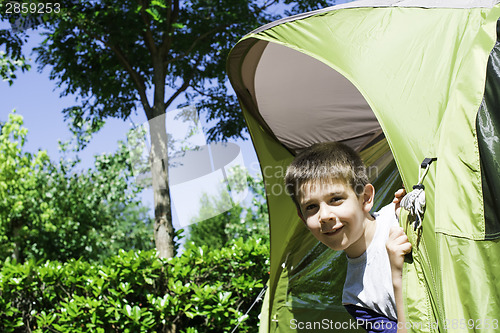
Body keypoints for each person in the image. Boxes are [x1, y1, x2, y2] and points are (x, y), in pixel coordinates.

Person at [284, 142, 411, 333]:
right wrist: (398, 277)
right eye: (311, 207)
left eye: (335, 199)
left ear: (366, 198)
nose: (324, 215)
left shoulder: (401, 217)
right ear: (303, 218)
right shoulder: (355, 298)